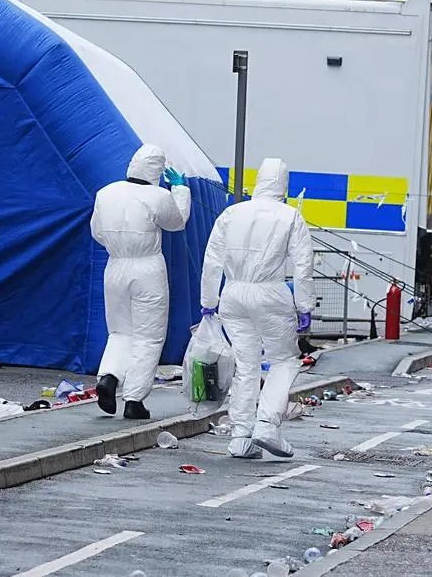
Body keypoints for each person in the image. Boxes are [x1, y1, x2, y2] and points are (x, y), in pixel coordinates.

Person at [199, 158, 314, 459]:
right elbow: (303, 267)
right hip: (270, 292)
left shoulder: (231, 213)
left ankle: (240, 436)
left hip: (233, 293)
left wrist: (208, 302)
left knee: (245, 365)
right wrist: (304, 305)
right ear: (284, 186)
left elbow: (212, 260)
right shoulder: (290, 217)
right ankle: (267, 424)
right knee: (284, 361)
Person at [91, 144, 191, 420]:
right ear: (158, 171)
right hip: (147, 268)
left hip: (115, 267)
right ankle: (134, 399)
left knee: (120, 332)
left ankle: (109, 377)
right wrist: (180, 190)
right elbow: (177, 222)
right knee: (148, 337)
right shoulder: (157, 196)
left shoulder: (105, 193)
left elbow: (97, 232)